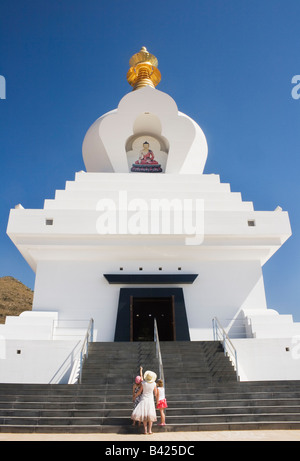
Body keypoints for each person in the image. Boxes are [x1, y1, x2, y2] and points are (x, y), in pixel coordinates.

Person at [131, 370, 157, 434]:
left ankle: (145, 430)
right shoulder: (154, 384)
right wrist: (157, 399)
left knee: (144, 416)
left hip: (144, 399)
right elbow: (156, 393)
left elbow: (139, 392)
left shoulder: (143, 383)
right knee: (150, 415)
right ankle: (150, 430)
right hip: (150, 400)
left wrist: (135, 396)